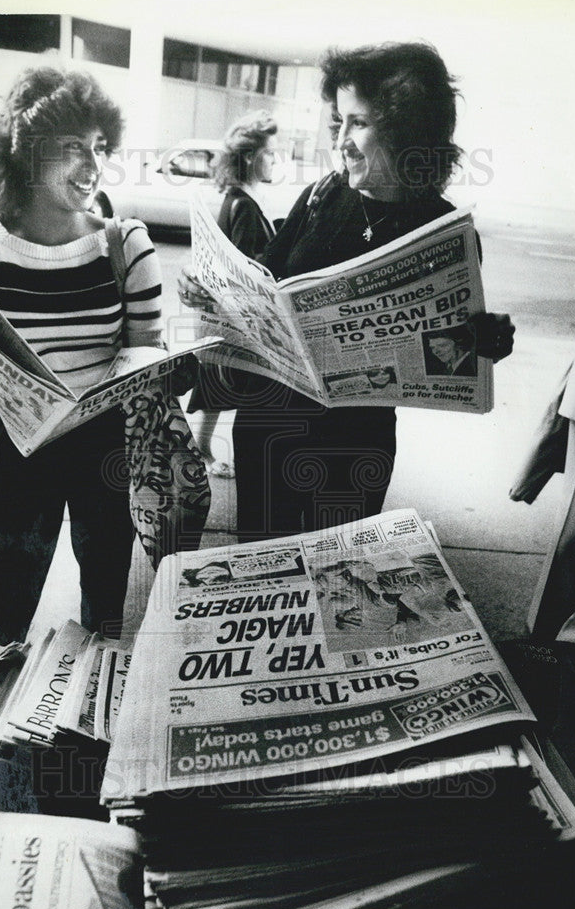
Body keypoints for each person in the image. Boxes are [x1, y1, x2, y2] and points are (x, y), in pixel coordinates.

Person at [180, 42, 514, 542]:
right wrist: (211, 289)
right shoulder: (323, 196)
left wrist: (487, 340)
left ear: (408, 130)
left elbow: (447, 352)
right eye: (338, 122)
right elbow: (262, 280)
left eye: (359, 122)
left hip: (355, 449)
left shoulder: (442, 230)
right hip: (268, 430)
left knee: (339, 581)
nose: (341, 141)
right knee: (262, 568)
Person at [0, 66, 166, 645]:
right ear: (26, 149)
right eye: (72, 147)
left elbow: (146, 363)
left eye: (98, 147)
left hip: (105, 447)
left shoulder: (127, 245)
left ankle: (88, 722)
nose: (92, 165)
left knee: (106, 607)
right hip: (18, 449)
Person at [187, 109, 279, 479]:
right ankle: (203, 452)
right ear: (250, 157)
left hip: (224, 318)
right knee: (228, 385)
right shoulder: (244, 204)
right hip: (235, 318)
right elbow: (245, 263)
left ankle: (202, 449)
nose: (275, 159)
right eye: (270, 152)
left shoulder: (238, 198)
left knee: (220, 386)